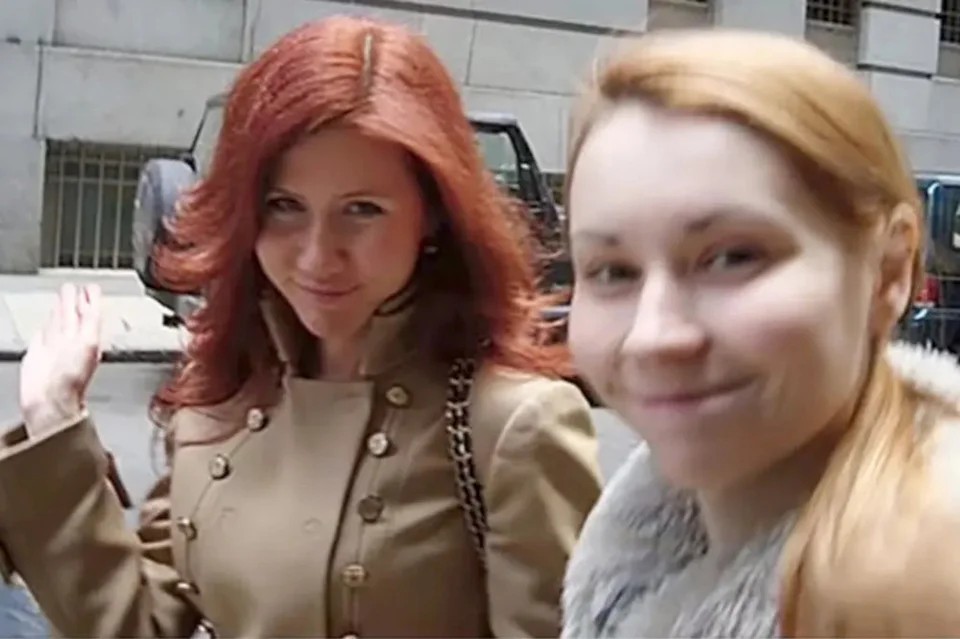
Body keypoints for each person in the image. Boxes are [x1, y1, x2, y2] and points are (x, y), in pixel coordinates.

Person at [0, 16, 602, 638]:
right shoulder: (225, 392)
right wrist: (53, 418)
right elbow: (140, 624)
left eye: (362, 210)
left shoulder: (513, 427)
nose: (317, 256)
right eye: (284, 206)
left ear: (433, 216)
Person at [561, 28, 960, 638]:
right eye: (612, 271)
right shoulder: (637, 538)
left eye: (733, 257)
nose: (652, 336)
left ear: (888, 271)